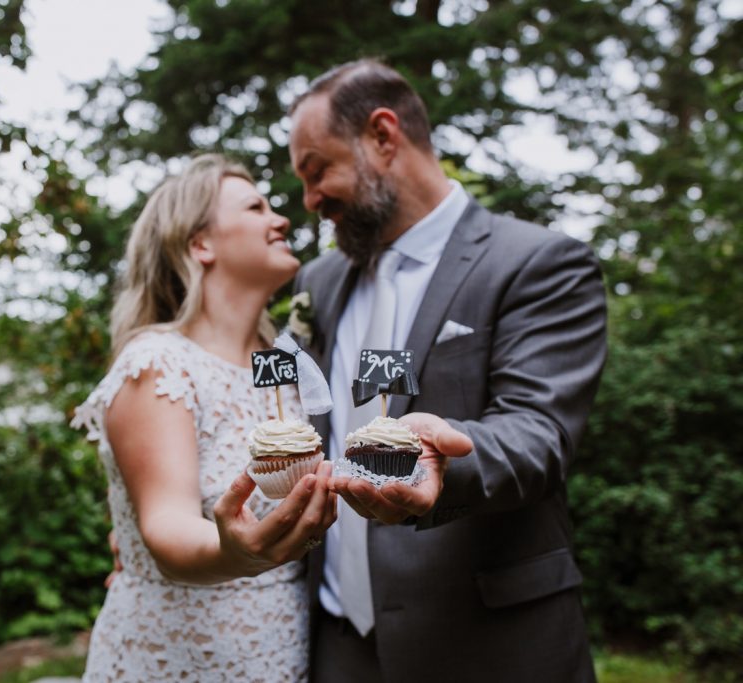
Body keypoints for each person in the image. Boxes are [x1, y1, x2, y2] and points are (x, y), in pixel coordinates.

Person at [287, 59, 607, 682]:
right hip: (336, 641)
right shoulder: (318, 282)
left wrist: (446, 464)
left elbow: (537, 432)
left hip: (487, 642)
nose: (309, 200)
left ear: (383, 136)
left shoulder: (538, 262)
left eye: (316, 170)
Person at [72, 154, 339, 682]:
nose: (281, 218)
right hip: (174, 660)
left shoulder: (291, 367)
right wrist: (237, 552)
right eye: (255, 207)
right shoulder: (158, 363)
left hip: (281, 651)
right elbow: (164, 524)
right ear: (201, 245)